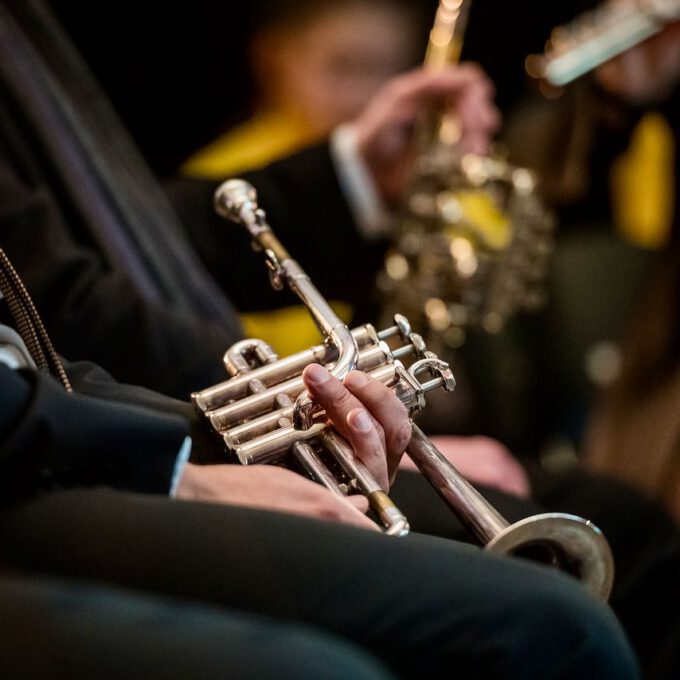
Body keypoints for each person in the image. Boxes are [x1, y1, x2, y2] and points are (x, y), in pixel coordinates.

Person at [0, 256, 639, 679]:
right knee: (544, 630)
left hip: (50, 438)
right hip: (31, 472)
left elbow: (31, 366)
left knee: (564, 611)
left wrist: (206, 439)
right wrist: (181, 469)